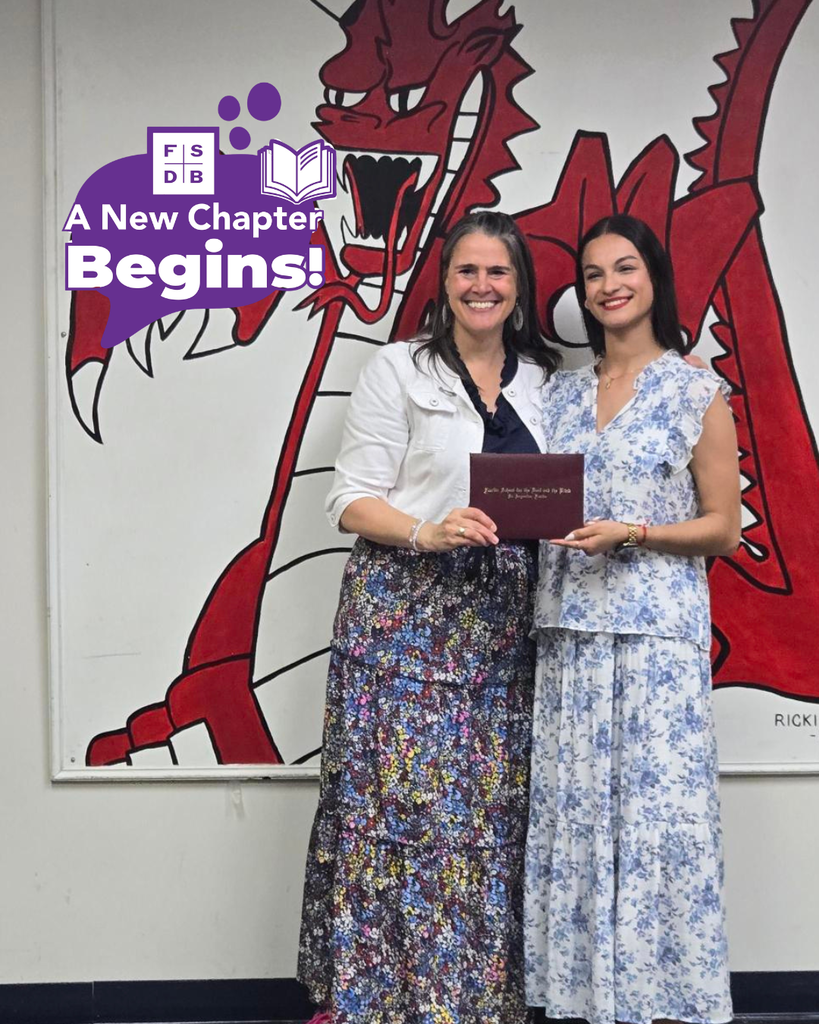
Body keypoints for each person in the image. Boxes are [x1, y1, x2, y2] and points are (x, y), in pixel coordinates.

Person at [298, 211, 561, 1024]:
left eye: (498, 273)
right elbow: (347, 500)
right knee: (397, 813)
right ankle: (379, 1000)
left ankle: (475, 1001)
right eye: (466, 271)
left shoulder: (547, 382)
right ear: (443, 283)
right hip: (403, 621)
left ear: (518, 290)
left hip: (502, 629)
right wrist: (427, 529)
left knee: (487, 817)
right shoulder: (397, 370)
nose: (481, 286)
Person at [524, 214, 740, 1024]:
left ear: (653, 279)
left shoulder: (695, 390)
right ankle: (579, 1002)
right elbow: (528, 501)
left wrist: (636, 533)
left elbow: (725, 527)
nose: (608, 284)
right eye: (592, 274)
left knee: (657, 828)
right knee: (573, 824)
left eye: (624, 268)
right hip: (569, 634)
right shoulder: (557, 395)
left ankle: (662, 1002)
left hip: (655, 641)